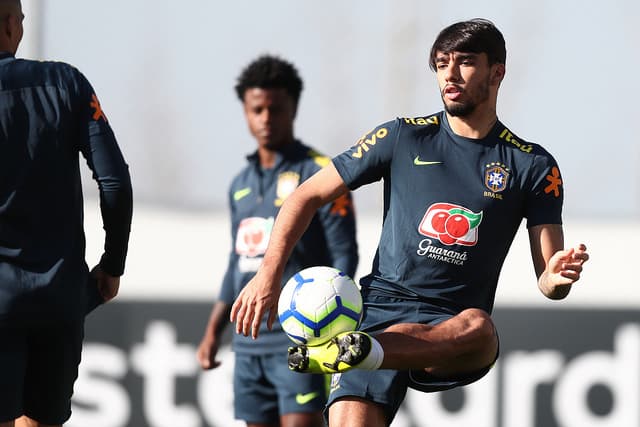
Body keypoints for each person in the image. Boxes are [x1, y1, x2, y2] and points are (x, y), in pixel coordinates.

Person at [230, 19, 589, 427]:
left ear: (497, 72)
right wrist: (268, 273)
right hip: (378, 312)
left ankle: (363, 351)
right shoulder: (401, 137)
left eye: (465, 62)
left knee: (481, 328)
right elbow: (304, 195)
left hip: (451, 329)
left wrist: (557, 278)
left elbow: (547, 279)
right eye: (440, 64)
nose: (450, 74)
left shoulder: (533, 165)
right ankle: (364, 351)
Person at [196, 55, 358, 427]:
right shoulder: (240, 184)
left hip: (299, 339)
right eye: (257, 109)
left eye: (276, 109)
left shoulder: (320, 173)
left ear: (293, 108)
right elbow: (237, 265)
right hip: (249, 342)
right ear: (245, 112)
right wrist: (212, 333)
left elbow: (344, 255)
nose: (266, 118)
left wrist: (331, 327)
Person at [0, 1, 133, 426]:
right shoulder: (66, 82)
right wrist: (112, 264)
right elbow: (114, 183)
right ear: (9, 24)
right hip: (58, 299)